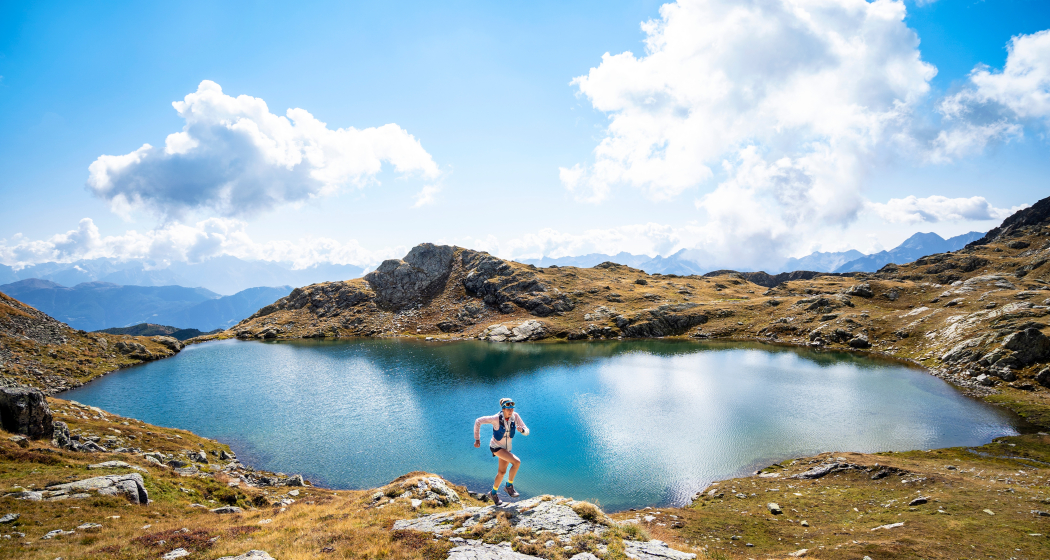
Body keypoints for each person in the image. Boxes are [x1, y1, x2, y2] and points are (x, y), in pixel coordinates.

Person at [474, 397, 529, 505]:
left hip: (506, 449)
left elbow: (527, 431)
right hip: (496, 447)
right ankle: (509, 486)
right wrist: (477, 439)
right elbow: (478, 421)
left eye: (512, 409)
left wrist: (522, 430)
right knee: (516, 462)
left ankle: (493, 493)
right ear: (503, 409)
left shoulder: (515, 416)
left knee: (502, 472)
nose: (511, 411)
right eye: (508, 409)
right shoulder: (495, 418)